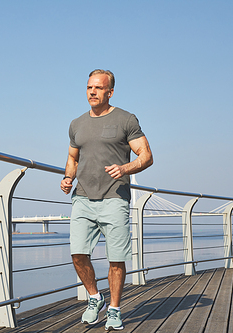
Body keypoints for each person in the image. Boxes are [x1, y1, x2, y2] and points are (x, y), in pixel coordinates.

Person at [60, 69, 153, 331]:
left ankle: (114, 309)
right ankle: (94, 297)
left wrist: (124, 169)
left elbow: (146, 156)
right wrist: (68, 178)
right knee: (77, 254)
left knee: (116, 260)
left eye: (98, 88)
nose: (92, 92)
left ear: (110, 92)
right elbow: (73, 158)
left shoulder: (126, 119)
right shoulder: (76, 124)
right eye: (89, 87)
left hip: (114, 197)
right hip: (82, 197)